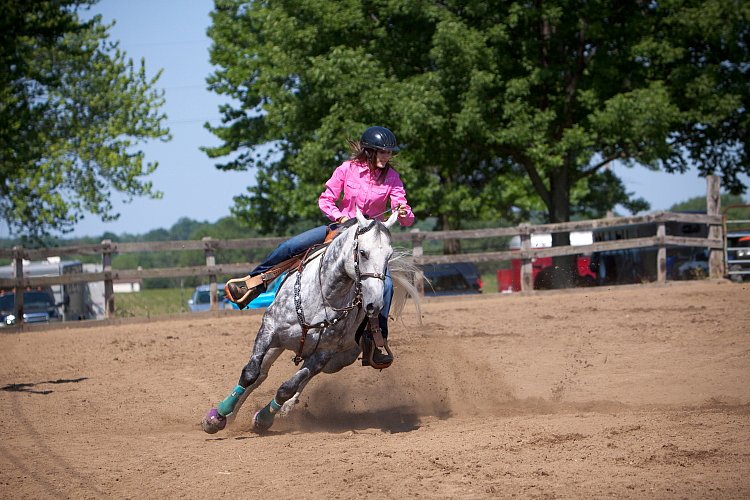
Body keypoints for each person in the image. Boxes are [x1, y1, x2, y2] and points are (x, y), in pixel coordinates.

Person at [225, 126, 415, 366]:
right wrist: (340, 217)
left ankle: (376, 339)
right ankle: (253, 282)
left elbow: (406, 215)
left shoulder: (392, 178)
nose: (387, 157)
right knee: (291, 245)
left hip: (369, 241)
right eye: (382, 152)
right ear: (369, 151)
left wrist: (404, 211)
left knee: (386, 285)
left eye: (389, 153)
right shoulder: (347, 169)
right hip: (340, 231)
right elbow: (326, 200)